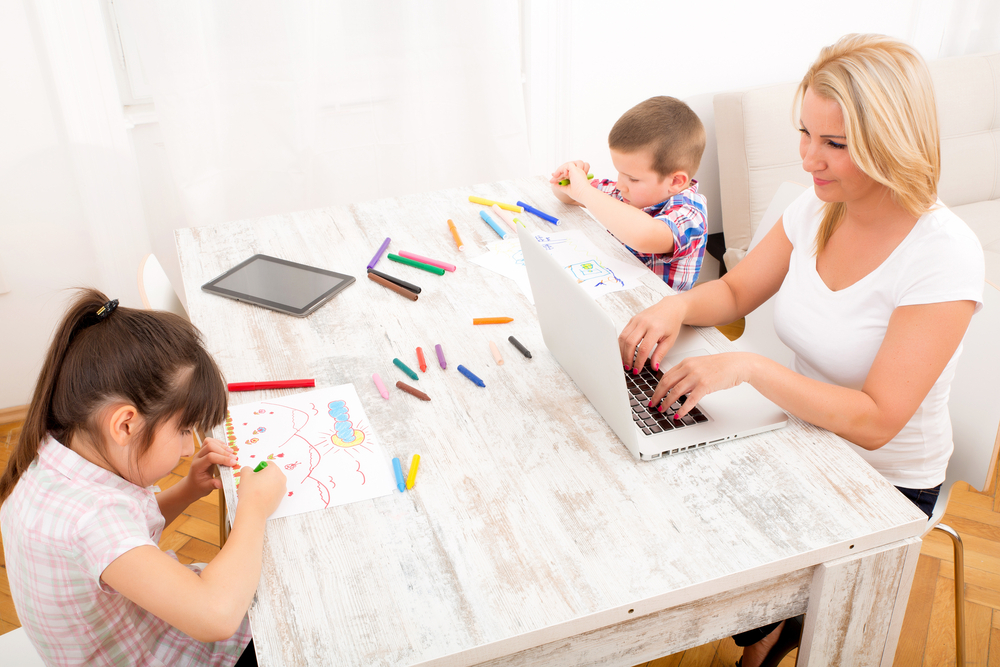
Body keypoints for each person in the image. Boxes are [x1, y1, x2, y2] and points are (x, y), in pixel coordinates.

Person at [617, 34, 984, 667]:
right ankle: (773, 622)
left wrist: (750, 367)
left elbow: (876, 421)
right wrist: (677, 304)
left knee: (693, 534)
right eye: (805, 133)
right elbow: (734, 291)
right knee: (654, 484)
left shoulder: (942, 254)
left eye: (835, 144)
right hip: (801, 436)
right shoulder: (819, 208)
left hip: (883, 482)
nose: (810, 158)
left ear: (889, 141)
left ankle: (780, 623)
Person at [0, 289, 287, 666]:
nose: (189, 449)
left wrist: (187, 490)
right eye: (185, 431)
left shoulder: (50, 454)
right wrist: (254, 507)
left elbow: (124, 538)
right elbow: (216, 615)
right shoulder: (91, 519)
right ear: (125, 424)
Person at [550, 96, 708, 292]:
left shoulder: (690, 215)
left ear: (676, 182)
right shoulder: (628, 192)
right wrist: (565, 180)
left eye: (632, 178)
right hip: (613, 292)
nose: (621, 185)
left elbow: (643, 235)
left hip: (657, 314)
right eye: (619, 173)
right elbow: (568, 196)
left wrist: (584, 191)